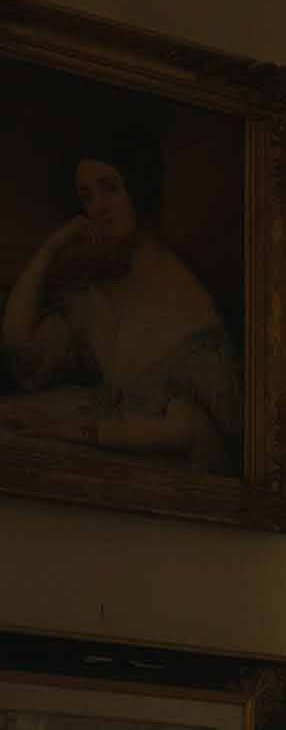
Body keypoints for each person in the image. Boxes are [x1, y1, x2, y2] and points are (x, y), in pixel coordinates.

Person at [0, 127, 241, 473]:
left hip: (163, 464)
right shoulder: (102, 283)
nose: (98, 208)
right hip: (111, 431)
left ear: (139, 188)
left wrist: (61, 430)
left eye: (110, 189)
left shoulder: (182, 293)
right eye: (87, 196)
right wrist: (50, 249)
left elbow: (185, 430)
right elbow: (19, 345)